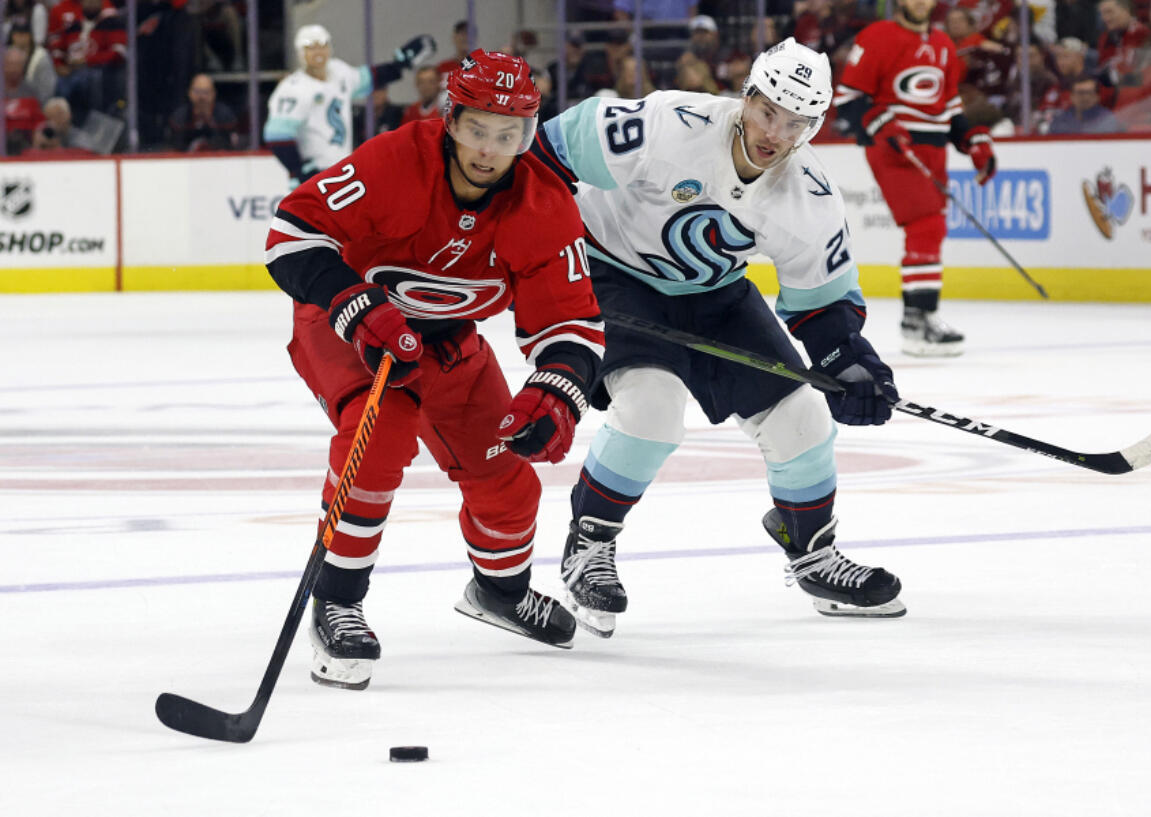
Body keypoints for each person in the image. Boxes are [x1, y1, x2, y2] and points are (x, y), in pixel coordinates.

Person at [531, 37, 905, 638]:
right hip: (612, 272)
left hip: (714, 294)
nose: (774, 134)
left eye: (796, 122)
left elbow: (824, 303)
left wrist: (851, 364)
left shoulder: (809, 193)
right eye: (766, 112)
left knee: (802, 416)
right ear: (747, 97)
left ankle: (810, 550)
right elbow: (550, 149)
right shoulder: (671, 124)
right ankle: (589, 544)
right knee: (651, 409)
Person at [264, 51, 604, 689]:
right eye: (478, 129)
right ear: (451, 119)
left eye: (510, 136)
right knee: (379, 437)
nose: (489, 150)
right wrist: (355, 306)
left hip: (447, 342)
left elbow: (572, 323)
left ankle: (500, 592)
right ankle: (337, 599)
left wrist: (556, 392)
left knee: (507, 473)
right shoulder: (395, 160)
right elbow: (291, 236)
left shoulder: (544, 201)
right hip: (347, 325)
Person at [834, 0, 998, 357]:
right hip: (894, 148)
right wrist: (881, 123)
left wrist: (971, 140)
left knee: (932, 225)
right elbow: (849, 98)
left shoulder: (943, 44)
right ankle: (918, 321)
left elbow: (949, 106)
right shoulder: (877, 36)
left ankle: (920, 318)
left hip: (933, 149)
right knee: (925, 225)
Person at [263, 24, 436, 186]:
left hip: (342, 171)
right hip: (312, 176)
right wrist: (298, 169)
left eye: (322, 45)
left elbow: (369, 78)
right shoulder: (292, 88)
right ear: (300, 53)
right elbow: (276, 136)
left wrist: (399, 64)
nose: (318, 52)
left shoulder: (339, 72)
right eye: (310, 47)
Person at [165, 73, 240, 151]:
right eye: (197, 92)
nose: (202, 97)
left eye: (206, 92)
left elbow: (234, 147)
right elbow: (172, 149)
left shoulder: (225, 117)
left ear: (213, 94)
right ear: (189, 93)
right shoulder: (179, 118)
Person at [1048, 73, 1125, 132]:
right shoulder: (1060, 121)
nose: (1085, 97)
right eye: (1080, 92)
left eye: (1089, 92)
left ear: (1097, 97)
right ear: (1072, 96)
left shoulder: (1107, 119)